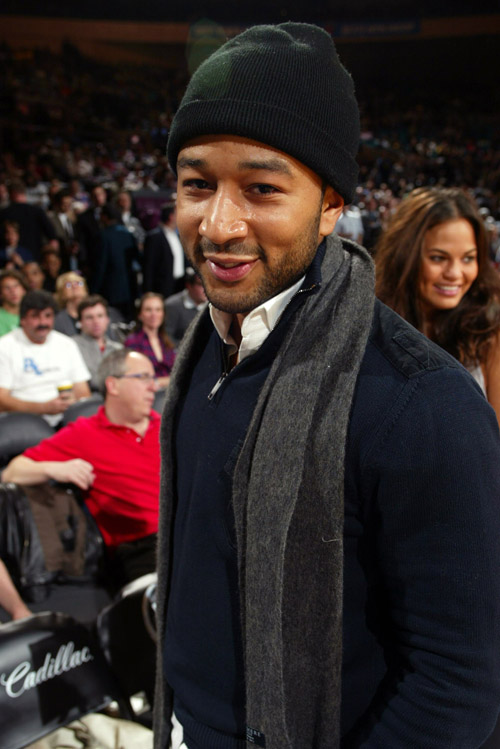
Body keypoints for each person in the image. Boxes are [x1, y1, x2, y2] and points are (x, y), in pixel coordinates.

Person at [153, 23, 500, 749]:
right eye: (196, 184)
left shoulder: (422, 403)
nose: (217, 223)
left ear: (332, 201)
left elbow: (457, 685)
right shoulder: (202, 354)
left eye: (261, 188)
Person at [2, 349, 161, 584]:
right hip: (142, 548)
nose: (153, 387)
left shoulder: (167, 423)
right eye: (143, 378)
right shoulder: (84, 434)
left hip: (193, 529)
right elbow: (12, 472)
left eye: (153, 378)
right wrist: (55, 469)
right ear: (113, 385)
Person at [375, 186, 500, 424]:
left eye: (468, 258)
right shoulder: (370, 324)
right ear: (405, 257)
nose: (455, 274)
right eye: (438, 258)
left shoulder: (489, 331)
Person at [0, 289, 91, 425]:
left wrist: (73, 401)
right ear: (23, 319)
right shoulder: (5, 346)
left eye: (48, 316)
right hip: (22, 421)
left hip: (65, 416)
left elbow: (83, 391)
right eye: (35, 316)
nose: (43, 322)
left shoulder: (66, 343)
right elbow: (2, 400)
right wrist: (43, 408)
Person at [125, 292, 176, 389]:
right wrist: (167, 381)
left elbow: (178, 372)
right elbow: (136, 377)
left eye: (158, 310)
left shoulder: (166, 341)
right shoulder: (132, 341)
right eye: (148, 310)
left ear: (163, 314)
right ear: (140, 315)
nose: (154, 314)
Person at [74, 294, 123, 391]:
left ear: (107, 320)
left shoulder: (118, 348)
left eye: (100, 316)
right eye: (89, 317)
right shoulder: (71, 345)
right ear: (80, 322)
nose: (96, 321)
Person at [143, 204, 185, 299]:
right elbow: (149, 267)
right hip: (162, 288)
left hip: (179, 286)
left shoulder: (178, 236)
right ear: (171, 216)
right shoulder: (154, 237)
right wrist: (148, 292)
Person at [165, 268, 207, 346]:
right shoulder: (173, 305)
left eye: (207, 284)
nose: (205, 289)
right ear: (189, 286)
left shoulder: (213, 305)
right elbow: (167, 337)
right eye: (201, 285)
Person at [53, 271, 88, 336]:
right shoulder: (57, 320)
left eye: (79, 283)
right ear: (61, 293)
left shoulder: (97, 314)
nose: (75, 287)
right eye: (68, 285)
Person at [0, 269, 27, 337]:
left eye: (16, 286)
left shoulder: (32, 315)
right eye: (7, 288)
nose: (13, 291)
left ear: (24, 290)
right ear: (1, 293)